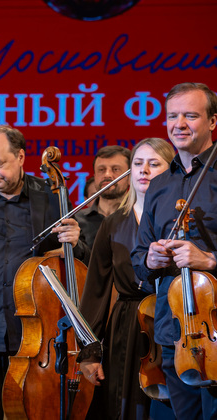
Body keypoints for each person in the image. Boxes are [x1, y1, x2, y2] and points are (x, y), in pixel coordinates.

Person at [0, 124, 90, 417]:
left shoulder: (51, 195)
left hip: (35, 333)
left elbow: (77, 255)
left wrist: (75, 243)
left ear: (20, 157)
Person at [132, 82, 217, 419]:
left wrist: (210, 259)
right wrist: (150, 259)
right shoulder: (159, 185)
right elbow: (139, 260)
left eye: (190, 116)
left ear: (212, 121)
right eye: (172, 116)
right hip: (175, 332)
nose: (179, 124)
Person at [79, 138, 175, 420]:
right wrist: (89, 352)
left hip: (173, 322)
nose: (143, 170)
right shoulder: (113, 222)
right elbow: (96, 291)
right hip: (127, 327)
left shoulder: (181, 219)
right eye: (138, 163)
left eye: (154, 163)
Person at [76, 145, 131, 248]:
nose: (107, 175)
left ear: (130, 178)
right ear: (95, 176)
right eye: (101, 170)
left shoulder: (140, 217)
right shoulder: (77, 221)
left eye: (115, 169)